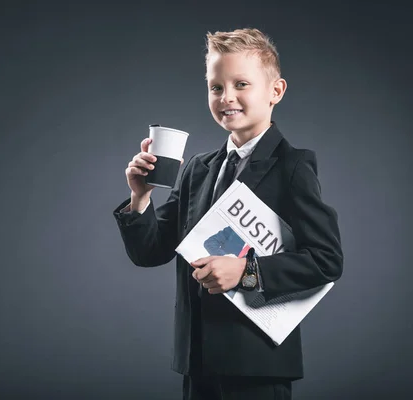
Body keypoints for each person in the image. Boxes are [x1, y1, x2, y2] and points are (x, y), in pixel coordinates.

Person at [112, 28, 343, 400]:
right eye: (216, 87)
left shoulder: (293, 167)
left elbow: (327, 261)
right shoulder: (196, 169)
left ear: (275, 91)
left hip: (257, 364)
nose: (227, 98)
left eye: (241, 84)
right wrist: (140, 199)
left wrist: (247, 272)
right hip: (196, 359)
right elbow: (150, 252)